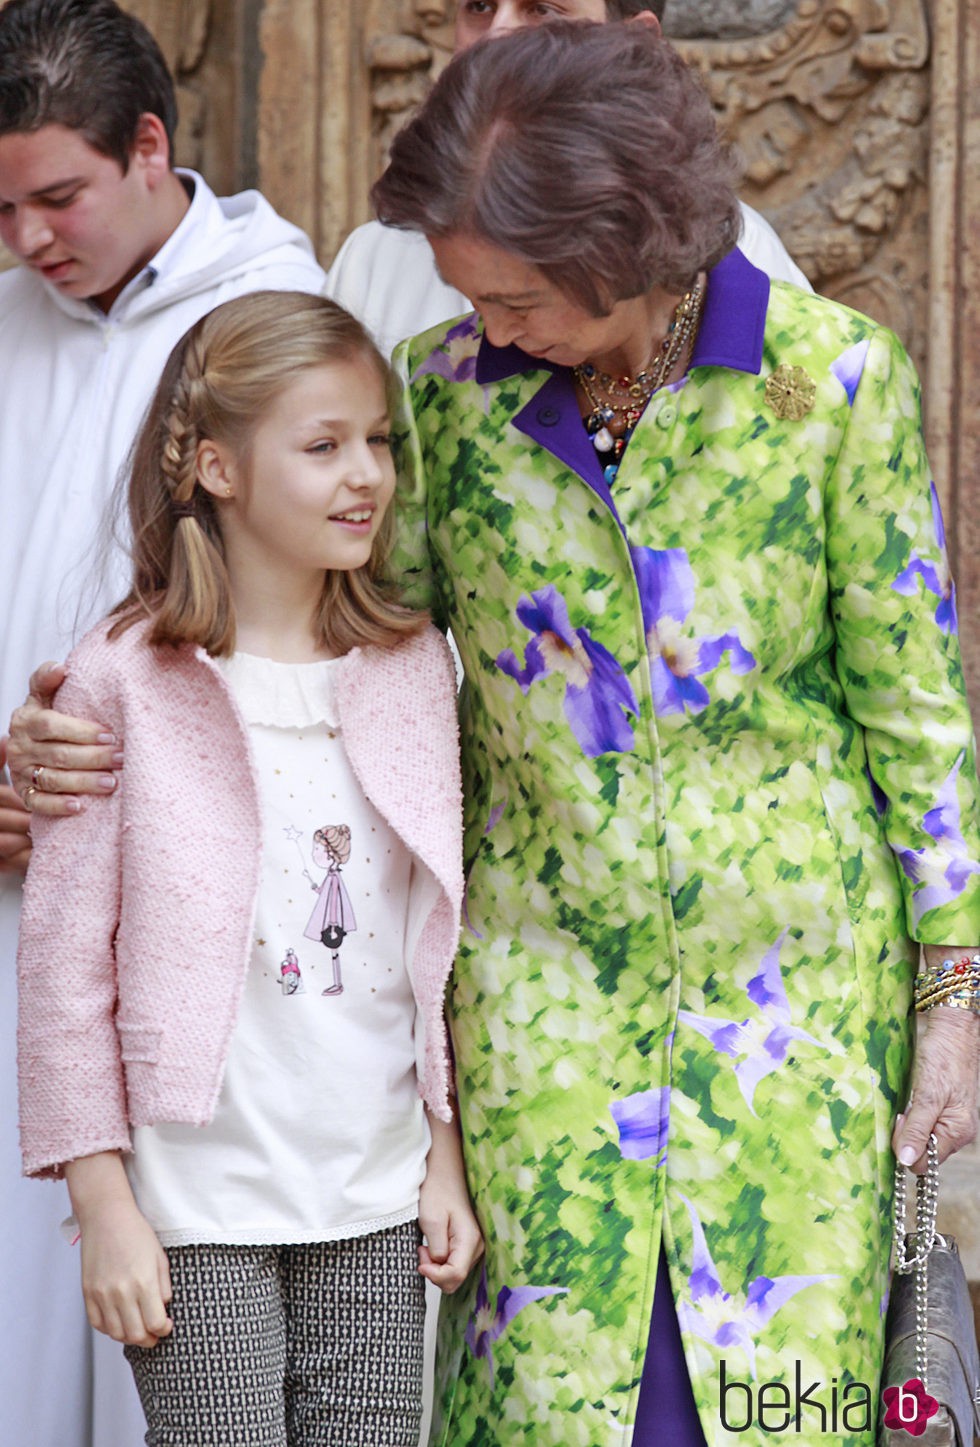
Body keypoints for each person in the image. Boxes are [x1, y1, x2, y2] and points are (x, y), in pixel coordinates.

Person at [374, 22, 978, 1445]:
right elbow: (364, 665)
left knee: (779, 1408)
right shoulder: (444, 397)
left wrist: (953, 1003)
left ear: (627, 245)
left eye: (516, 294)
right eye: (468, 291)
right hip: (540, 1019)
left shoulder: (831, 384)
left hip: (796, 1020)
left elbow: (916, 707)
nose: (486, 323)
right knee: (557, 1410)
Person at [15, 290, 483, 1447]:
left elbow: (437, 938)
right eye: (322, 446)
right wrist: (106, 1203)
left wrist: (445, 1157)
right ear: (216, 467)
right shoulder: (121, 680)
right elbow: (66, 970)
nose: (365, 473)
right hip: (194, 1212)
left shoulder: (416, 667)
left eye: (375, 439)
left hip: (374, 1197)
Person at [0, 2, 325, 1441]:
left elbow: (318, 630)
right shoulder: (4, 313)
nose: (27, 241)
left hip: (187, 935)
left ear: (151, 146)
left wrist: (98, 776)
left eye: (56, 198)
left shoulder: (271, 320)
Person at [326, 0, 811, 359]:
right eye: (478, 7)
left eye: (542, 11)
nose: (496, 37)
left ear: (634, 46)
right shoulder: (375, 264)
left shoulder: (748, 267)